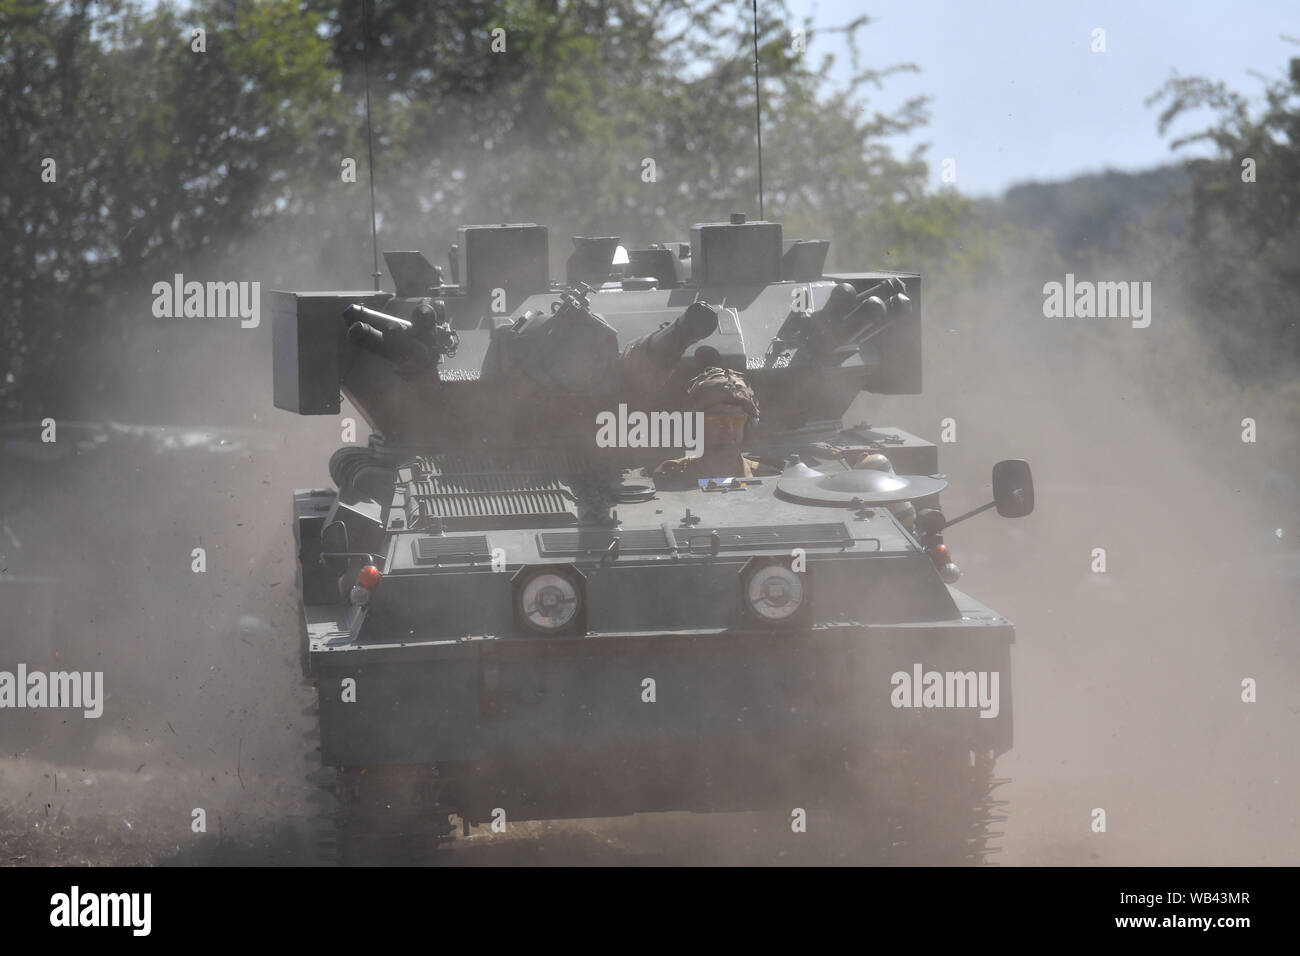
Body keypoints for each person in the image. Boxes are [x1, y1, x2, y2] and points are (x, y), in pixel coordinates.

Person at [652, 367, 779, 487]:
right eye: (717, 419)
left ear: (747, 425)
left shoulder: (769, 478)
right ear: (697, 425)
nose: (729, 428)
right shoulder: (670, 477)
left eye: (737, 419)